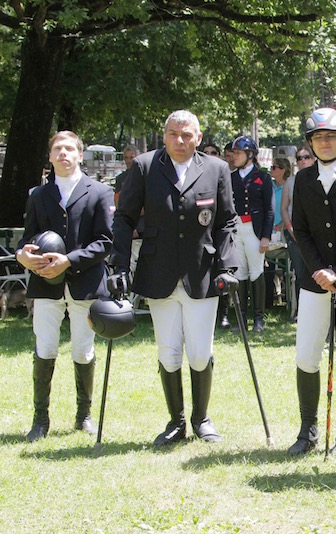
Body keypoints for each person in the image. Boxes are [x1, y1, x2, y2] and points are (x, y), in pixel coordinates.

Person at [110, 110, 238, 445]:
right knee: (168, 351)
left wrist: (228, 267)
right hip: (158, 270)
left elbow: (225, 221)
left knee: (199, 352)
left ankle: (201, 418)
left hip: (202, 272)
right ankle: (176, 422)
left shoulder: (217, 169)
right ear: (163, 135)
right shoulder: (144, 166)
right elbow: (123, 218)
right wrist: (119, 265)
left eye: (186, 135)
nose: (179, 141)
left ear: (198, 136)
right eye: (172, 134)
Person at [16, 130, 115, 442]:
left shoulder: (99, 192)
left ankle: (84, 414)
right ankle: (40, 419)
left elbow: (105, 242)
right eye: (57, 149)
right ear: (50, 156)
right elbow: (27, 237)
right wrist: (23, 255)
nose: (63, 154)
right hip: (46, 283)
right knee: (44, 347)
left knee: (83, 350)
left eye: (69, 149)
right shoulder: (37, 196)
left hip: (84, 282)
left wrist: (69, 260)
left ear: (79, 154)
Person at [287, 108, 336, 457]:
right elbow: (300, 232)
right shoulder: (302, 181)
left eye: (331, 136)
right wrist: (319, 270)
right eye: (318, 137)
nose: (324, 142)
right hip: (312, 281)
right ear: (310, 143)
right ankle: (308, 430)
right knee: (307, 355)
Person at [228, 136, 275, 333]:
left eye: (238, 153)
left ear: (249, 155)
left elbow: (270, 209)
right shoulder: (230, 177)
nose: (234, 156)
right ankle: (242, 319)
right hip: (237, 229)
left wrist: (266, 236)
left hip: (254, 231)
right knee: (240, 274)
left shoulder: (263, 178)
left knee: (256, 273)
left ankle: (258, 319)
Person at [281, 144, 314, 318]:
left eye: (306, 157)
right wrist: (290, 228)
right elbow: (284, 208)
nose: (302, 161)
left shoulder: (319, 179)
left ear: (313, 158)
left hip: (315, 236)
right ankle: (301, 312)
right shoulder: (291, 181)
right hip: (295, 236)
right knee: (299, 274)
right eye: (299, 158)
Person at [264, 157, 290, 309]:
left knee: (286, 267)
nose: (271, 170)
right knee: (268, 266)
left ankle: (288, 301)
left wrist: (282, 224)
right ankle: (268, 302)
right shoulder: (270, 186)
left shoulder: (288, 186)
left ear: (283, 170)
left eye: (274, 167)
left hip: (284, 230)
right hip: (269, 231)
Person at [114, 145, 145, 273]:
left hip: (143, 225)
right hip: (126, 225)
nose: (129, 160)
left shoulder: (146, 176)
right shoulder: (120, 179)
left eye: (132, 157)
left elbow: (148, 204)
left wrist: (135, 225)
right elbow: (118, 202)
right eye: (126, 158)